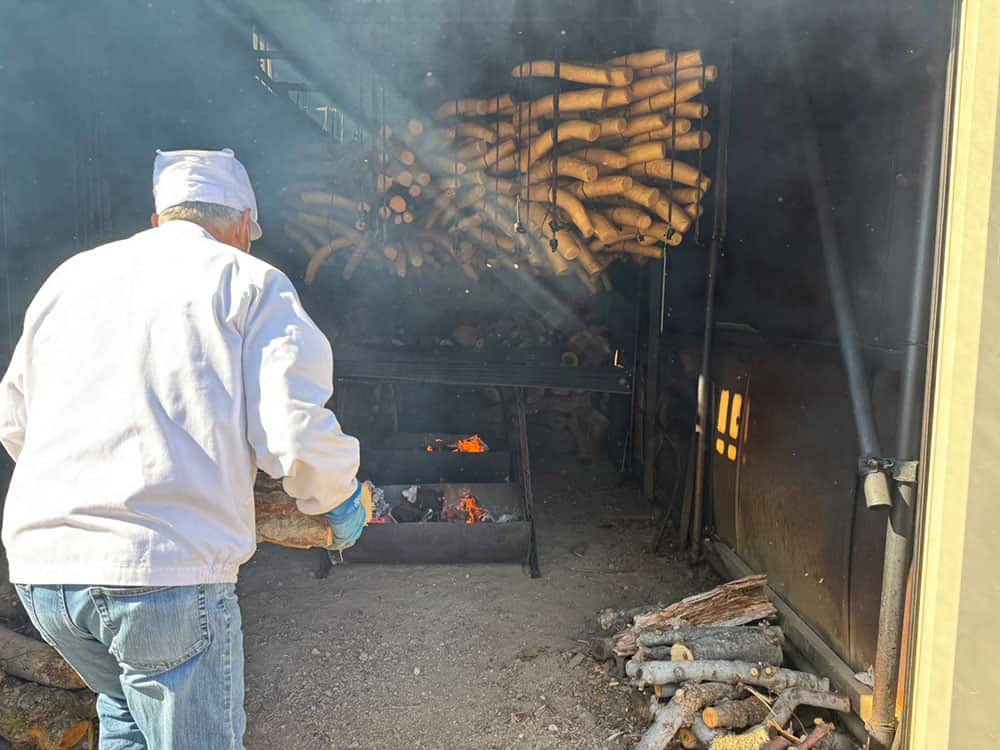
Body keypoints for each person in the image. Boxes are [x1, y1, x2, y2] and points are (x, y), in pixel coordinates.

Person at [0, 148, 366, 749]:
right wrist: (338, 498)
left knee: (125, 716)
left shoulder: (70, 278)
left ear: (159, 220)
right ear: (243, 224)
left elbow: (16, 421)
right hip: (160, 573)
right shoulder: (250, 281)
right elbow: (293, 429)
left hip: (45, 573)